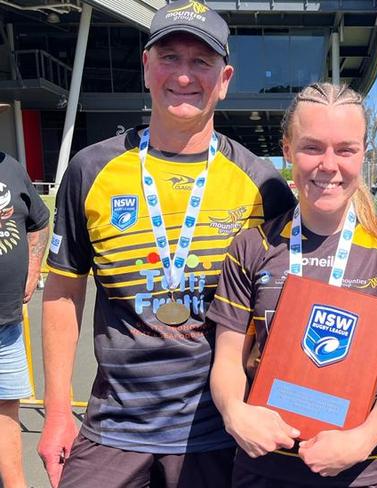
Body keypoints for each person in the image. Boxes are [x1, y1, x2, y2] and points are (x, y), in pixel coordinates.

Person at [37, 1, 295, 487]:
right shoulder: (90, 170)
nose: (183, 75)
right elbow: (62, 294)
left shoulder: (263, 184)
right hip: (112, 427)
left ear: (225, 78)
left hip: (219, 431)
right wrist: (55, 415)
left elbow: (284, 309)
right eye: (170, 57)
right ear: (146, 67)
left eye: (201, 62)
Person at [207, 82, 377, 487]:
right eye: (312, 147)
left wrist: (362, 440)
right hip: (264, 465)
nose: (329, 165)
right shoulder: (252, 246)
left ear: (364, 152)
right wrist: (234, 413)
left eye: (345, 149)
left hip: (357, 471)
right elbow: (227, 360)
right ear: (288, 149)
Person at [0, 152, 49, 488]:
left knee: (6, 412)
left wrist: (33, 266)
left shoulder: (10, 167)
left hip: (6, 324)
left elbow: (39, 220)